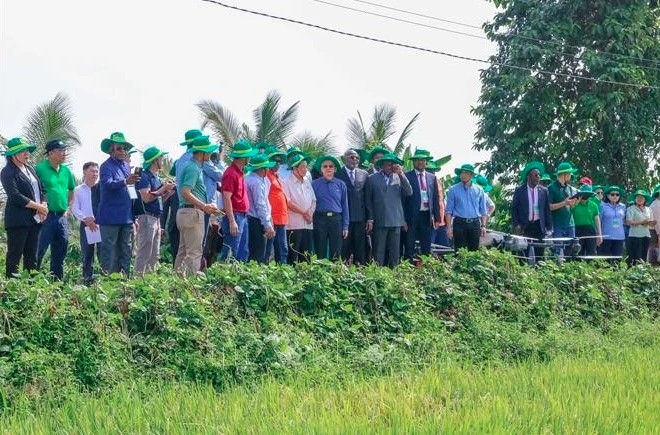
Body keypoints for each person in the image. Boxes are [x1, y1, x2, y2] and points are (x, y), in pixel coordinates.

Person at [0, 137, 47, 278]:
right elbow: (15, 196)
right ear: (12, 155)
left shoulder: (30, 169)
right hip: (18, 221)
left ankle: (30, 287)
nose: (27, 154)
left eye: (27, 151)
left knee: (32, 256)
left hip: (35, 220)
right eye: (22, 151)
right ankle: (12, 289)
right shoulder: (7, 172)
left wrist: (44, 204)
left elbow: (42, 189)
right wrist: (38, 206)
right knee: (15, 255)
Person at [175, 136, 220, 275]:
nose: (210, 154)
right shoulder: (193, 168)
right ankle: (191, 287)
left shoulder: (190, 165)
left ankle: (176, 284)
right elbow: (185, 192)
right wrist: (204, 206)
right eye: (208, 151)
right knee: (195, 253)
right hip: (192, 213)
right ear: (202, 152)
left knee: (182, 252)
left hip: (184, 212)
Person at [97, 132, 140, 275]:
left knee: (126, 250)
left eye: (125, 148)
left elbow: (130, 189)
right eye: (119, 148)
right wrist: (125, 181)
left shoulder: (126, 167)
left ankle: (124, 281)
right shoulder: (105, 166)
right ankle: (108, 283)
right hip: (110, 218)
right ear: (111, 150)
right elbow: (108, 184)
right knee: (109, 252)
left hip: (126, 216)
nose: (123, 151)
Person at [34, 139, 76, 280]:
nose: (65, 153)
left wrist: (68, 208)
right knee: (39, 250)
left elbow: (71, 190)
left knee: (60, 250)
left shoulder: (66, 171)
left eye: (65, 150)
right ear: (51, 153)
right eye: (61, 151)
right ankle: (31, 282)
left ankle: (56, 283)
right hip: (45, 216)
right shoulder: (39, 169)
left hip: (61, 217)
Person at [365, 153, 412, 267]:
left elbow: (409, 192)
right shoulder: (372, 178)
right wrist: (370, 218)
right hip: (379, 219)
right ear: (382, 166)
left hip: (395, 220)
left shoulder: (399, 177)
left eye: (392, 165)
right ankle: (377, 275)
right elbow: (368, 200)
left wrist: (401, 174)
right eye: (387, 165)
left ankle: (393, 276)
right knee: (378, 251)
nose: (390, 167)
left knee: (394, 252)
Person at [134, 146, 175, 275]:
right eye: (161, 158)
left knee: (154, 254)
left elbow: (156, 199)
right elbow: (146, 198)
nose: (162, 160)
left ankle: (150, 281)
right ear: (154, 160)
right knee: (144, 251)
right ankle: (138, 279)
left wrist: (167, 193)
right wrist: (163, 189)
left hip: (156, 218)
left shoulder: (155, 178)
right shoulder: (144, 177)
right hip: (146, 218)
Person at [219, 139, 258, 262]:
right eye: (249, 156)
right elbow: (226, 197)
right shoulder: (231, 174)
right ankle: (225, 278)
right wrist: (231, 221)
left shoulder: (239, 173)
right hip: (235, 216)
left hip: (242, 216)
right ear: (244, 157)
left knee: (242, 252)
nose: (250, 159)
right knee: (231, 252)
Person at [510, 161, 552, 263]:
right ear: (529, 176)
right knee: (523, 253)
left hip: (539, 226)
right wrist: (517, 225)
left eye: (539, 175)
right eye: (536, 175)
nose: (538, 177)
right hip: (525, 225)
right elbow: (514, 209)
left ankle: (538, 273)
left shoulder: (544, 191)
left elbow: (547, 210)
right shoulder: (520, 190)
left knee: (540, 254)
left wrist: (549, 228)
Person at [403, 149, 441, 260]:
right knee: (409, 244)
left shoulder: (432, 177)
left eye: (422, 160)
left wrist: (437, 217)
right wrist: (403, 219)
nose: (420, 162)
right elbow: (403, 200)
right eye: (417, 160)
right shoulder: (407, 176)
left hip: (426, 216)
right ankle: (407, 269)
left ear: (426, 162)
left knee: (426, 245)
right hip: (411, 216)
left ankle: (425, 268)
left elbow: (435, 197)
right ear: (414, 162)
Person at [312, 155, 349, 260]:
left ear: (335, 169)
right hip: (319, 220)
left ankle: (335, 275)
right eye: (325, 166)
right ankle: (320, 274)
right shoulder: (314, 184)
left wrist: (345, 226)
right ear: (321, 169)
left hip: (336, 220)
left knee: (336, 252)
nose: (328, 168)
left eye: (331, 166)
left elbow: (345, 206)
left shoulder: (341, 184)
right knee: (320, 251)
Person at [335, 148, 369, 265]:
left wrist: (369, 218)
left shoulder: (364, 174)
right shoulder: (337, 174)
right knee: (344, 248)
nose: (354, 159)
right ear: (344, 159)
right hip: (344, 219)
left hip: (360, 218)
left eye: (357, 158)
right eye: (351, 157)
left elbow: (367, 198)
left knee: (360, 249)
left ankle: (359, 274)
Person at [445, 164, 488, 252]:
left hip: (475, 223)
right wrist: (449, 228)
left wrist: (483, 226)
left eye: (466, 173)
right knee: (459, 252)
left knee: (474, 253)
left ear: (471, 175)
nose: (463, 175)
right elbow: (448, 211)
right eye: (462, 172)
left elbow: (483, 210)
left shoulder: (479, 190)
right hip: (459, 223)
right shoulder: (453, 190)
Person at [282, 153, 316, 263]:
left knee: (307, 256)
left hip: (308, 224)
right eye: (303, 167)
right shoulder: (286, 181)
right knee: (293, 256)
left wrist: (310, 213)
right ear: (295, 168)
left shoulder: (307, 181)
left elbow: (313, 200)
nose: (305, 169)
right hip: (294, 225)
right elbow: (288, 202)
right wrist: (304, 213)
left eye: (306, 167)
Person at [71, 162, 101, 285]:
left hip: (101, 224)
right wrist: (86, 219)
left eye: (96, 171)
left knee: (103, 253)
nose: (95, 174)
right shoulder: (78, 190)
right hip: (86, 225)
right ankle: (87, 280)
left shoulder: (102, 189)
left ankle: (105, 278)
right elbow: (74, 207)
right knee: (87, 254)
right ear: (84, 172)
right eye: (92, 171)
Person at [245, 154, 276, 264]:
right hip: (256, 220)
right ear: (262, 169)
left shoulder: (250, 179)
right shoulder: (256, 183)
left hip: (253, 219)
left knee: (254, 252)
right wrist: (267, 224)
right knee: (257, 255)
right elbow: (260, 205)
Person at [547, 162, 579, 257]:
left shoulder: (569, 188)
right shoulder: (551, 188)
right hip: (558, 225)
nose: (571, 175)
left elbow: (570, 206)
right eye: (569, 173)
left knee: (571, 250)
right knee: (557, 250)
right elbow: (549, 207)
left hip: (570, 223)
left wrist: (576, 202)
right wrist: (564, 203)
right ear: (564, 174)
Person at [264, 146, 289, 264]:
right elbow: (264, 198)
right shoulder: (266, 176)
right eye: (274, 161)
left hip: (281, 218)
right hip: (273, 218)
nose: (277, 164)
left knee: (282, 249)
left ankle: (281, 272)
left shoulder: (275, 176)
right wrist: (269, 218)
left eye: (279, 161)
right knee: (268, 250)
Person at [571, 185, 603, 256]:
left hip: (590, 230)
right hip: (577, 230)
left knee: (591, 252)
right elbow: (569, 212)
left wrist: (599, 234)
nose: (585, 197)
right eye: (584, 195)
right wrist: (576, 203)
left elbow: (597, 220)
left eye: (587, 195)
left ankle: (591, 266)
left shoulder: (594, 205)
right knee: (578, 252)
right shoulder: (574, 204)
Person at [625, 189, 655, 265]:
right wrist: (641, 222)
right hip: (635, 235)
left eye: (642, 197)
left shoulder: (649, 209)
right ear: (635, 199)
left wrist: (652, 223)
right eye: (638, 197)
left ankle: (642, 273)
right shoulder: (630, 209)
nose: (640, 199)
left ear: (645, 199)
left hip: (646, 235)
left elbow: (650, 223)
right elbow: (629, 222)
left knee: (643, 256)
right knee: (635, 256)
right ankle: (632, 273)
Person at [599, 185, 626, 258]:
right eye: (612, 194)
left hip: (619, 237)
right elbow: (599, 221)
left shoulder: (623, 206)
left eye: (617, 194)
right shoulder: (602, 206)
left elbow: (624, 220)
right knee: (605, 261)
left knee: (617, 260)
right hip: (606, 237)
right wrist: (599, 235)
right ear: (607, 195)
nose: (615, 196)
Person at [649, 185, 660, 264]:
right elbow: (657, 221)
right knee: (653, 246)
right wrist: (659, 233)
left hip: (657, 228)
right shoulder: (656, 205)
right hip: (654, 228)